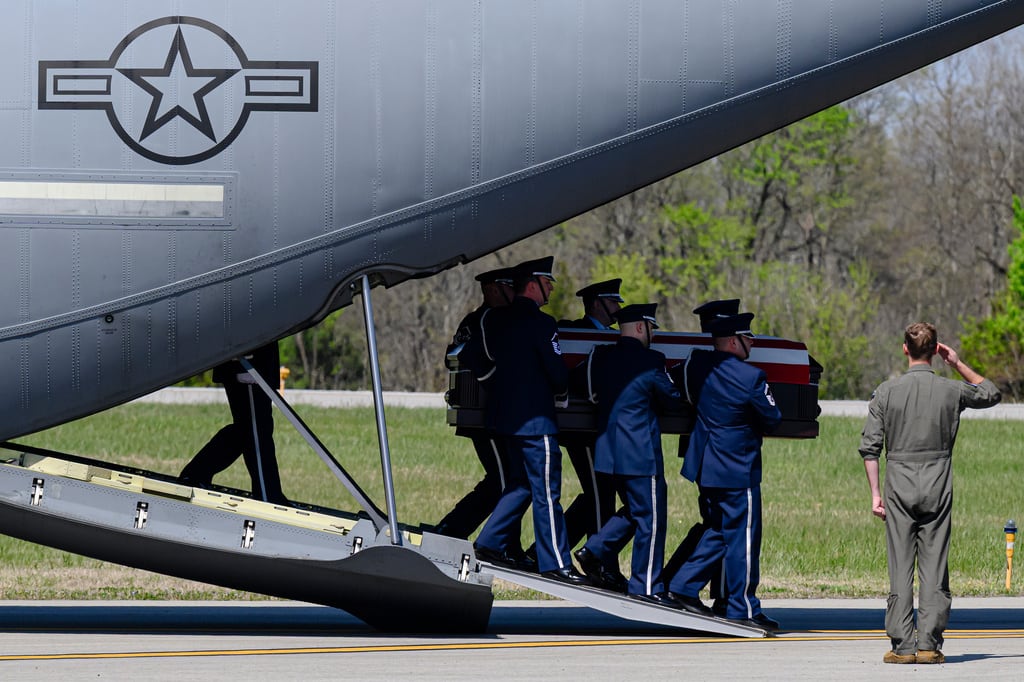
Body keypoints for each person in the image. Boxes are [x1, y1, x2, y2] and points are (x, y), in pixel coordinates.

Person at [859, 322, 1000, 665]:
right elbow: (991, 393)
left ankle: (903, 645)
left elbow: (870, 449)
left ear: (904, 349)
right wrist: (957, 363)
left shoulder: (887, 392)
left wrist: (876, 494)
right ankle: (928, 644)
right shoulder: (951, 390)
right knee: (935, 566)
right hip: (937, 483)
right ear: (936, 350)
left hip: (899, 485)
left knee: (900, 565)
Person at [472, 256, 589, 585]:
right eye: (547, 282)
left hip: (505, 419)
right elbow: (556, 372)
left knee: (520, 484)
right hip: (537, 421)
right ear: (533, 285)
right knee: (547, 492)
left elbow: (481, 359)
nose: (551, 287)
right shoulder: (542, 324)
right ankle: (555, 563)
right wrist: (563, 390)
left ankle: (489, 543)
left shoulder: (495, 320)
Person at [667, 312, 782, 630]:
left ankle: (683, 585)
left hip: (706, 466)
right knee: (743, 537)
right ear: (734, 341)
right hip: (737, 467)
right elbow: (772, 417)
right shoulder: (751, 377)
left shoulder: (696, 365)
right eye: (748, 337)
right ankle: (741, 606)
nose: (753, 342)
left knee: (719, 530)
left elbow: (678, 380)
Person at [572, 304, 687, 607]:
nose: (653, 335)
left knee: (636, 510)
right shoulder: (651, 361)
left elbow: (583, 386)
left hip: (608, 451)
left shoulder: (601, 356)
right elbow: (672, 400)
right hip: (640, 453)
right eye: (651, 328)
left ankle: (595, 549)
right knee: (650, 518)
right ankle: (646, 586)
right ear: (640, 328)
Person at [664, 299, 740, 615]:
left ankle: (677, 580)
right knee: (721, 526)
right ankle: (687, 586)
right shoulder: (718, 366)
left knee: (714, 524)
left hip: (701, 453)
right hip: (723, 458)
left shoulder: (693, 364)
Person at [434, 267, 517, 541]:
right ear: (493, 289)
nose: (513, 291)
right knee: (505, 482)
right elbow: (456, 356)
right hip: (483, 414)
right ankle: (456, 530)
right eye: (508, 286)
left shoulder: (499, 319)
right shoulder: (480, 320)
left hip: (496, 413)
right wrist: (493, 380)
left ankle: (455, 529)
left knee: (503, 481)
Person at [554, 279, 624, 557]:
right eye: (613, 302)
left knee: (599, 492)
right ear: (596, 304)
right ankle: (598, 559)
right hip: (580, 427)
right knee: (599, 493)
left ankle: (547, 551)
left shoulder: (615, 337)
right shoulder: (574, 331)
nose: (618, 309)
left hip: (601, 428)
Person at [179, 341, 288, 505]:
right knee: (256, 432)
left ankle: (195, 474)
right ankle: (267, 495)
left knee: (246, 430)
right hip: (249, 362)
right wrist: (246, 355)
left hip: (249, 360)